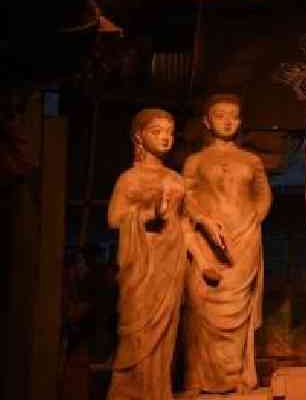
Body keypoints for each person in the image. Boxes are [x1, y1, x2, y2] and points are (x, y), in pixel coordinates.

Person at [181, 93, 272, 393]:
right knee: (203, 306)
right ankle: (200, 378)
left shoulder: (251, 160)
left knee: (240, 308)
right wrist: (204, 221)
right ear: (207, 121)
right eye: (220, 115)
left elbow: (263, 195)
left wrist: (252, 221)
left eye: (233, 115)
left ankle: (238, 376)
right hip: (208, 241)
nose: (227, 121)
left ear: (240, 121)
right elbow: (186, 197)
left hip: (244, 241)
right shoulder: (196, 161)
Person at [106, 109, 189, 400]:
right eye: (157, 131)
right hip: (142, 266)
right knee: (137, 333)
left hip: (171, 264)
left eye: (170, 131)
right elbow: (115, 218)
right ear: (139, 136)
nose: (166, 137)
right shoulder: (129, 179)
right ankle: (129, 393)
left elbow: (184, 223)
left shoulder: (176, 179)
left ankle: (158, 391)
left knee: (166, 336)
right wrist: (149, 212)